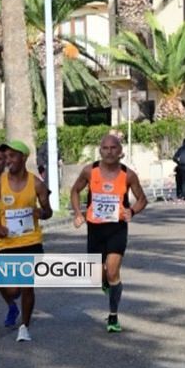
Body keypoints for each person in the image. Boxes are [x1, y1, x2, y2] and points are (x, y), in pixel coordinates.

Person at [70, 134, 148, 334]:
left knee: (113, 272)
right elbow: (75, 191)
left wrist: (132, 211)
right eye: (105, 148)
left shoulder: (128, 175)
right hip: (95, 228)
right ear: (100, 151)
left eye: (113, 148)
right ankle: (104, 282)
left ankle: (113, 316)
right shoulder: (90, 171)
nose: (109, 152)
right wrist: (78, 213)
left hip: (117, 228)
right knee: (96, 275)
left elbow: (142, 199)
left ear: (120, 151)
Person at [0, 140, 52, 342]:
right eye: (6, 157)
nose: (8, 160)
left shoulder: (37, 184)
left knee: (26, 285)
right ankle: (12, 304)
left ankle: (24, 326)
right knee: (11, 289)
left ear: (23, 158)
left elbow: (48, 211)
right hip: (8, 242)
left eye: (12, 156)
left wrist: (41, 213)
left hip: (31, 241)